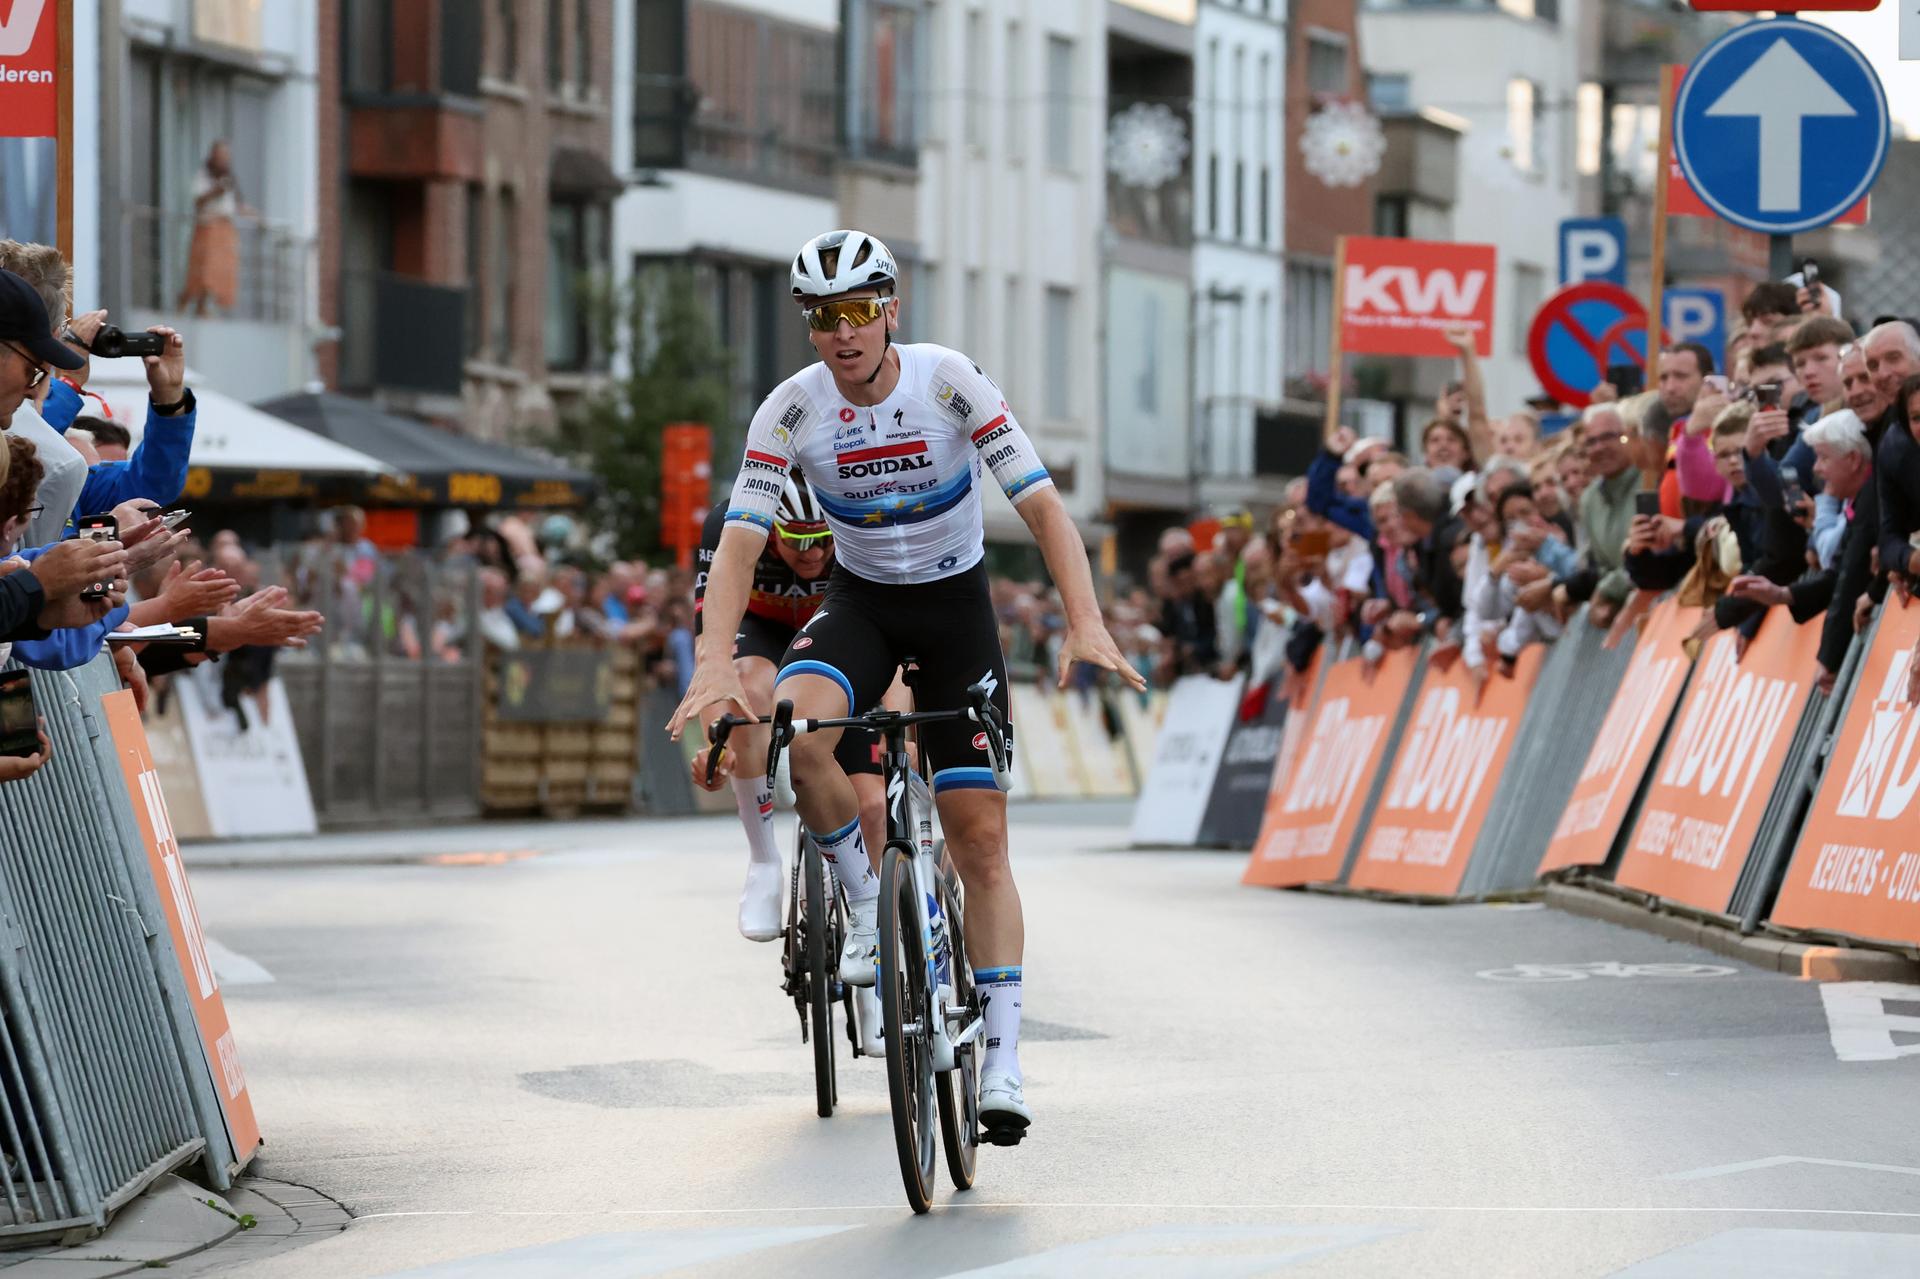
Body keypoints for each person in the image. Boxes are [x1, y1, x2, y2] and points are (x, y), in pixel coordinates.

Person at [667, 228, 1143, 1144]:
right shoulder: (790, 410)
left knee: (981, 841)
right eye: (821, 317)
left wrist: (1085, 618)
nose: (841, 333)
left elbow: (1042, 506)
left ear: (892, 307)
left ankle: (1002, 1058)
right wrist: (713, 659)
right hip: (862, 604)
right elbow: (736, 544)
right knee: (799, 735)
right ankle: (864, 917)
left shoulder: (948, 381)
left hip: (956, 610)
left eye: (857, 312)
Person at [687, 471, 894, 957]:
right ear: (772, 527)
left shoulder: (857, 518)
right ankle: (763, 860)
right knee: (749, 686)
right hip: (761, 633)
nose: (814, 554)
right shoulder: (730, 524)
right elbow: (708, 652)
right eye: (798, 540)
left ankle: (875, 950)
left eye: (823, 539)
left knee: (871, 807)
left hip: (837, 638)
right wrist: (718, 741)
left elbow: (894, 632)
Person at [178, 141, 252, 316]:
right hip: (208, 229)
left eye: (226, 157)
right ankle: (190, 303)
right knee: (203, 272)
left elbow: (238, 205)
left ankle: (204, 308)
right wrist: (216, 191)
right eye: (221, 157)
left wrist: (258, 218)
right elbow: (198, 201)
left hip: (225, 231)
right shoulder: (203, 176)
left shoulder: (229, 179)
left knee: (219, 273)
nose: (224, 161)